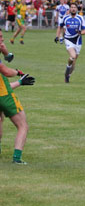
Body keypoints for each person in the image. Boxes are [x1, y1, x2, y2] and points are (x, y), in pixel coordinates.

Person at [0, 28, 35, 164]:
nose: (2, 39)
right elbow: (6, 72)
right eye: (0, 37)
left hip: (3, 92)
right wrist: (18, 72)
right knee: (23, 126)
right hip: (4, 96)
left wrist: (20, 82)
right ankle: (17, 158)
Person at [56, 4, 85, 83]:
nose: (73, 9)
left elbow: (84, 31)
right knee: (72, 56)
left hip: (78, 41)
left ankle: (67, 75)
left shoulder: (80, 18)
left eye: (74, 7)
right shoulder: (65, 17)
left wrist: (80, 32)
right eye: (72, 7)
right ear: (69, 9)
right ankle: (68, 66)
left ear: (76, 9)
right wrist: (57, 36)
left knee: (74, 64)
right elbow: (60, 26)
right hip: (68, 40)